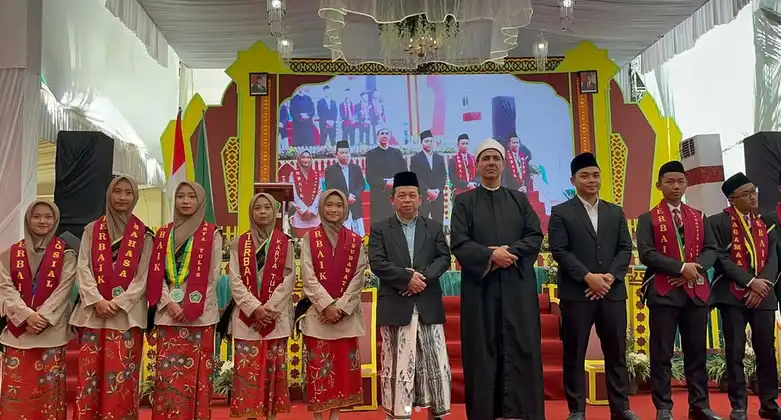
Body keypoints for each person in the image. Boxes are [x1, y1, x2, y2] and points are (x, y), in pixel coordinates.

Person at [450, 138, 545, 420]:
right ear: (476, 166)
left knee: (521, 346)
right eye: (486, 159)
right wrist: (490, 255)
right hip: (481, 288)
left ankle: (522, 411)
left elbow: (535, 235)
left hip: (517, 287)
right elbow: (459, 242)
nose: (491, 163)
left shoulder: (519, 200)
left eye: (495, 159)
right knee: (482, 349)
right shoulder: (464, 202)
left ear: (503, 165)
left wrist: (509, 253)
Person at [548, 152, 637, 420]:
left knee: (617, 352)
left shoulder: (615, 211)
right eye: (585, 176)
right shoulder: (561, 212)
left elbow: (625, 248)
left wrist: (609, 277)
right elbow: (560, 251)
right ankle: (577, 409)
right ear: (573, 180)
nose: (591, 180)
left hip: (612, 292)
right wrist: (588, 277)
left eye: (595, 175)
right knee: (574, 353)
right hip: (578, 293)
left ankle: (620, 408)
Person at [636, 161, 722, 420]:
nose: (676, 186)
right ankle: (663, 407)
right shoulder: (648, 218)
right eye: (670, 181)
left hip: (696, 293)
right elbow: (647, 254)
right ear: (659, 185)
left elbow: (711, 249)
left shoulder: (699, 216)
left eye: (680, 181)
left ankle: (700, 406)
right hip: (664, 294)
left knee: (697, 352)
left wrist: (695, 268)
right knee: (661, 353)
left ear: (686, 184)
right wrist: (681, 267)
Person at [369, 171, 452, 420]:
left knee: (434, 363)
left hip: (428, 304)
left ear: (420, 199)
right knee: (396, 365)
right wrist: (406, 279)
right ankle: (396, 415)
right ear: (392, 199)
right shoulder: (380, 229)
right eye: (402, 195)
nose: (407, 200)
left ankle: (435, 414)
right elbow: (377, 263)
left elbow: (444, 258)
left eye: (412, 195)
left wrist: (420, 279)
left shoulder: (434, 227)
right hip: (396, 305)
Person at [70, 176, 154, 419]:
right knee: (90, 377)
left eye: (128, 192)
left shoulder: (145, 235)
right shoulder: (91, 230)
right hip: (94, 315)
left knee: (122, 376)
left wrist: (119, 303)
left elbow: (143, 276)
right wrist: (96, 300)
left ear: (135, 197)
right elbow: (83, 267)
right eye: (117, 191)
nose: (122, 197)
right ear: (109, 194)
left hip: (127, 317)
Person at [147, 181, 223, 419]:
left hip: (200, 317)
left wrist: (191, 306)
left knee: (198, 377)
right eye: (181, 196)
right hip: (168, 315)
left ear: (200, 201)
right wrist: (168, 303)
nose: (186, 201)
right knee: (168, 376)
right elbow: (155, 273)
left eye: (192, 196)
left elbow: (213, 277)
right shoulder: (162, 234)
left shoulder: (212, 233)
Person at [709, 172, 780, 420]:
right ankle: (738, 405)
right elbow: (720, 258)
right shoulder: (718, 222)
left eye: (753, 192)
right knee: (735, 351)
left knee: (766, 351)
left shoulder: (765, 222)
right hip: (732, 296)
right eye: (746, 194)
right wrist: (749, 282)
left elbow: (773, 258)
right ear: (732, 199)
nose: (752, 197)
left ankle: (769, 403)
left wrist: (762, 286)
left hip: (764, 296)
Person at [0, 200, 76, 420]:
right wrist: (26, 316)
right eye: (36, 216)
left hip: (51, 332)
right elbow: (5, 287)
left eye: (48, 217)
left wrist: (42, 318)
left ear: (55, 220)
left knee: (47, 395)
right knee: (17, 393)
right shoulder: (10, 254)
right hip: (18, 334)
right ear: (28, 220)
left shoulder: (67, 254)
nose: (42, 221)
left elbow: (64, 290)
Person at [227, 193, 297, 419]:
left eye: (267, 207)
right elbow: (235, 280)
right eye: (258, 208)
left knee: (273, 373)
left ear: (274, 212)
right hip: (247, 320)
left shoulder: (285, 243)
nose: (263, 212)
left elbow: (289, 279)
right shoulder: (238, 243)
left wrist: (269, 308)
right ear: (251, 212)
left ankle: (271, 416)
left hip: (275, 318)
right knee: (248, 373)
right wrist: (254, 308)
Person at [299, 189, 367, 419]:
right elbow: (308, 276)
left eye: (339, 205)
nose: (334, 209)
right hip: (318, 317)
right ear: (321, 208)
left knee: (342, 371)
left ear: (345, 209)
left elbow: (358, 276)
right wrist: (326, 305)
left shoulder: (356, 240)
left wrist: (341, 307)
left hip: (345, 317)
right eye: (329, 205)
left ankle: (335, 415)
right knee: (319, 369)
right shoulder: (309, 238)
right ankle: (318, 416)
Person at [365, 126, 408, 224]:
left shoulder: (397, 153)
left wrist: (396, 181)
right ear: (377, 136)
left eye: (387, 133)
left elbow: (404, 171)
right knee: (379, 222)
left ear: (390, 136)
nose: (384, 136)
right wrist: (385, 183)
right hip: (379, 193)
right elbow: (370, 176)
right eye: (382, 133)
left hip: (395, 192)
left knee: (396, 221)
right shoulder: (371, 154)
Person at [324, 140, 367, 236]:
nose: (344, 155)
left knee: (359, 234)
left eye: (346, 152)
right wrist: (346, 196)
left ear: (350, 154)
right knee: (342, 235)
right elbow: (330, 187)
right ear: (336, 155)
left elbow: (362, 185)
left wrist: (354, 195)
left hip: (355, 204)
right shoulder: (330, 170)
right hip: (340, 205)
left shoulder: (356, 168)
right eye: (342, 153)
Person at [409, 130, 447, 223]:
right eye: (426, 141)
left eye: (431, 141)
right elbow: (415, 177)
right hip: (424, 196)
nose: (429, 143)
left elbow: (443, 176)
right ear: (421, 143)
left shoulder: (439, 158)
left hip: (438, 196)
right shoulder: (415, 159)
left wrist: (438, 190)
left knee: (438, 223)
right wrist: (428, 191)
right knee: (422, 223)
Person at [291, 150, 321, 238]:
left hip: (314, 217)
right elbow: (293, 194)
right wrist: (304, 210)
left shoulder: (316, 175)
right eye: (303, 157)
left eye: (308, 157)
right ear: (299, 159)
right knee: (301, 243)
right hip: (299, 217)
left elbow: (319, 193)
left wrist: (311, 210)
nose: (306, 160)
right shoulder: (293, 174)